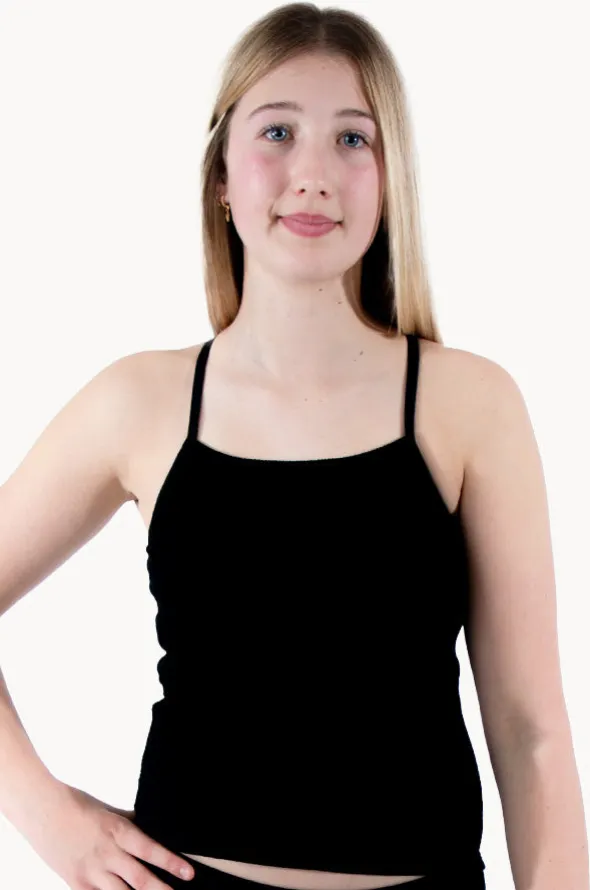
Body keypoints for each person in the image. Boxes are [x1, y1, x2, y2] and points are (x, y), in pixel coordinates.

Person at [1, 4, 582, 890]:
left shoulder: (471, 405)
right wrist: (47, 819)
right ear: (222, 177)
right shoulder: (139, 402)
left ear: (389, 179)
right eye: (278, 132)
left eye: (353, 139)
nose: (313, 175)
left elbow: (529, 728)